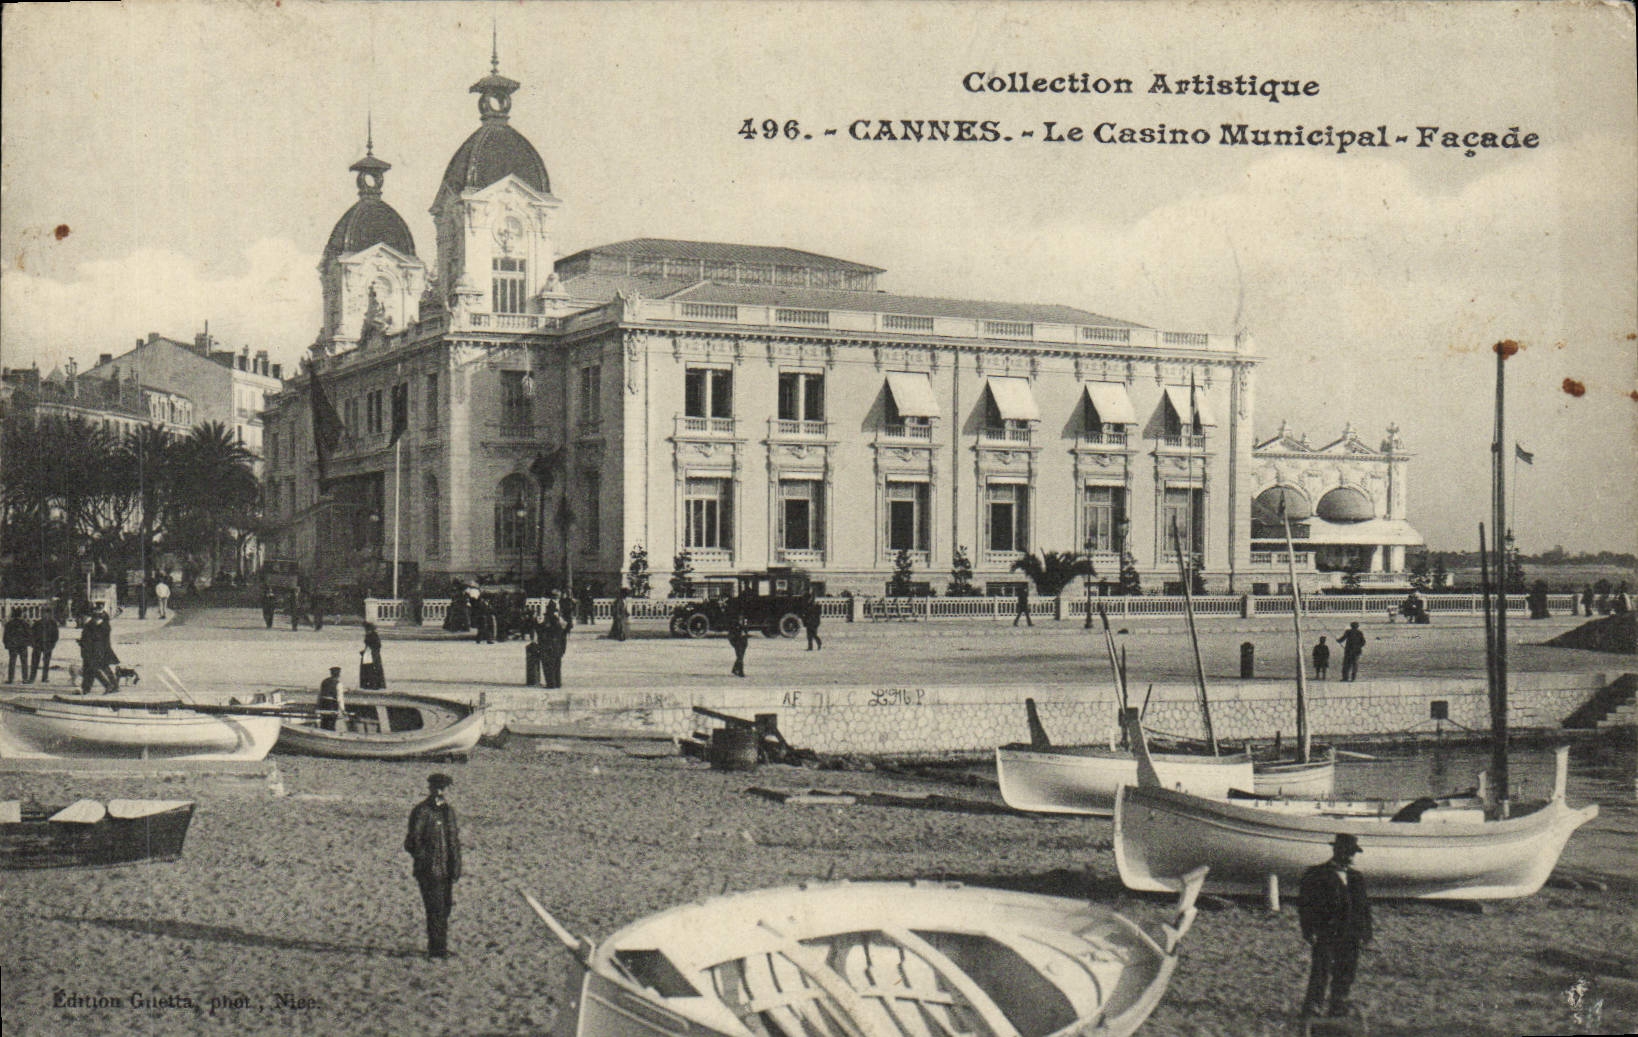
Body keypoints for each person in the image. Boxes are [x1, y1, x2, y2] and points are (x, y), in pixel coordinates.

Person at [1298, 833, 1373, 1019]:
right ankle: (1314, 1006)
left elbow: (1364, 908)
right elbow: (1305, 905)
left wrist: (1366, 932)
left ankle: (1338, 1004)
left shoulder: (1357, 877)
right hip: (1327, 931)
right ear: (1336, 851)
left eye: (1353, 853)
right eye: (1347, 852)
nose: (1350, 857)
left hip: (1352, 933)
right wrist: (1308, 930)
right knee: (1321, 970)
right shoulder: (1316, 874)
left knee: (1346, 971)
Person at [405, 773, 462, 960]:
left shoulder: (449, 812)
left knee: (445, 908)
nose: (440, 791)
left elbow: (454, 841)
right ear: (430, 789)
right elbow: (411, 842)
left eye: (443, 788)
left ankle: (440, 946)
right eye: (437, 788)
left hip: (446, 869)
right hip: (429, 870)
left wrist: (456, 865)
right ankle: (436, 950)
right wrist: (424, 859)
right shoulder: (421, 811)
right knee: (435, 909)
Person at [78, 602, 119, 695]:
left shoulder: (97, 626)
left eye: (82, 617)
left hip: (96, 651)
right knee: (93, 669)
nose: (81, 619)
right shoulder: (93, 625)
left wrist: (83, 643)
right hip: (94, 651)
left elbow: (94, 639)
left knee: (94, 669)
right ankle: (87, 688)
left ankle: (108, 685)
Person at [539, 601, 566, 688]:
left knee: (548, 665)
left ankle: (551, 684)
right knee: (557, 666)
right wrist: (563, 648)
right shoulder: (559, 620)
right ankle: (557, 683)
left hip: (549, 646)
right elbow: (563, 635)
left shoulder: (548, 620)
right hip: (557, 646)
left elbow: (543, 632)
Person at [30, 612, 60, 683]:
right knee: (34, 662)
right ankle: (32, 677)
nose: (45, 615)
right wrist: (33, 643)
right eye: (43, 614)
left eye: (47, 614)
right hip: (38, 645)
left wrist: (52, 644)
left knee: (46, 663)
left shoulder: (53, 624)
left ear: (49, 615)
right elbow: (31, 633)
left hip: (48, 645)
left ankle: (45, 677)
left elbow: (56, 635)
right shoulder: (37, 623)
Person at [5, 608, 32, 684]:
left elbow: (6, 636)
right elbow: (29, 634)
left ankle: (11, 679)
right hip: (23, 645)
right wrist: (29, 642)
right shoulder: (25, 624)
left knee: (12, 662)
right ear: (21, 614)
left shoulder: (9, 624)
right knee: (24, 662)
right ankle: (25, 678)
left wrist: (7, 644)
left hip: (13, 645)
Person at [318, 666, 346, 731]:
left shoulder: (324, 681)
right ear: (339, 674)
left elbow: (319, 694)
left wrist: (318, 705)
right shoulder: (338, 684)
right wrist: (343, 710)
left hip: (323, 704)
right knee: (331, 723)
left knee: (324, 722)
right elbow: (340, 698)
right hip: (332, 705)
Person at [360, 623, 386, 690]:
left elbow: (378, 645)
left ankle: (375, 684)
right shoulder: (368, 635)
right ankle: (368, 684)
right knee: (367, 668)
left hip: (373, 654)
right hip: (368, 653)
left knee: (373, 668)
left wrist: (372, 650)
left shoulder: (374, 635)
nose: (366, 631)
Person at [727, 611, 750, 678]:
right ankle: (741, 672)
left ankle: (734, 669)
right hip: (737, 640)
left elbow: (746, 628)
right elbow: (731, 632)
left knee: (740, 656)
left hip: (743, 640)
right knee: (740, 656)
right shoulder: (734, 622)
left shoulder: (745, 620)